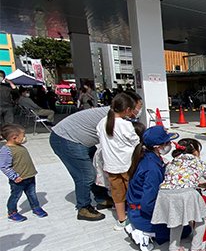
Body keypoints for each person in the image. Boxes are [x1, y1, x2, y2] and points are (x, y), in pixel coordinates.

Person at [49, 93, 142, 221]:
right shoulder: (114, 120)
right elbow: (130, 140)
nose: (138, 110)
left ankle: (101, 198)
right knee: (86, 174)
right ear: (128, 107)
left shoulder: (109, 117)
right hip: (66, 139)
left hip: (83, 142)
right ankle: (83, 207)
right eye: (138, 106)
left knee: (96, 169)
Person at [152, 138, 206, 251]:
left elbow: (177, 180)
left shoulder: (172, 162)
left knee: (175, 220)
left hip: (166, 194)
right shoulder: (197, 162)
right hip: (187, 194)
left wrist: (196, 184)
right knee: (200, 219)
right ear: (195, 151)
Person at [125, 126, 176, 251]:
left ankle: (136, 226)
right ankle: (143, 233)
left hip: (134, 210)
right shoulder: (152, 169)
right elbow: (148, 203)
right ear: (158, 146)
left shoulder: (147, 157)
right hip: (143, 214)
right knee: (184, 230)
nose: (171, 145)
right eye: (168, 143)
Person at [96, 93, 140, 230]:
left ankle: (121, 220)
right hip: (127, 165)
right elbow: (136, 142)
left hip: (111, 166)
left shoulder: (102, 122)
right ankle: (136, 218)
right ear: (127, 109)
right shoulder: (125, 125)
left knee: (117, 194)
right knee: (133, 192)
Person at [0, 124, 48, 221]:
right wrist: (14, 176)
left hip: (30, 176)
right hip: (18, 180)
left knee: (32, 194)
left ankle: (36, 208)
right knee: (15, 196)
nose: (25, 138)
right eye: (23, 136)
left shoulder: (19, 146)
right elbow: (4, 166)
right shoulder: (6, 150)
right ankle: (12, 213)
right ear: (14, 138)